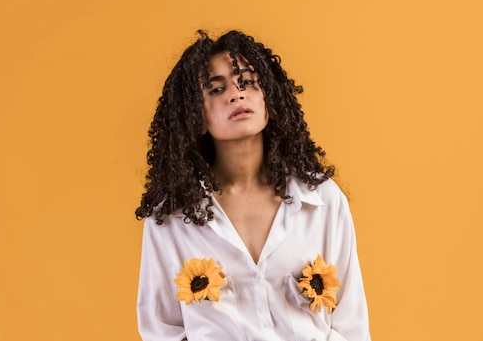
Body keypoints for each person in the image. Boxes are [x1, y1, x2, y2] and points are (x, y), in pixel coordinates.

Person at [135, 30, 370, 341]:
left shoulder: (323, 200)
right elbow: (161, 331)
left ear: (268, 97)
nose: (236, 94)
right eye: (216, 90)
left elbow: (351, 325)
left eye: (246, 81)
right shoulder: (170, 218)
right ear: (196, 117)